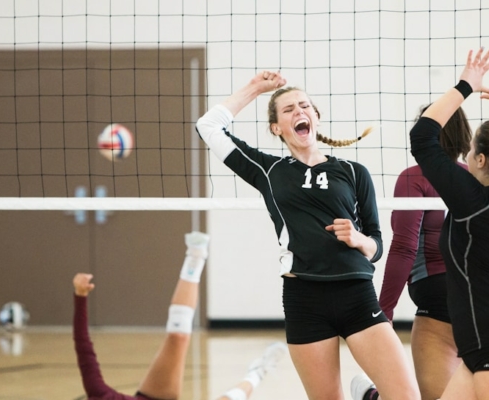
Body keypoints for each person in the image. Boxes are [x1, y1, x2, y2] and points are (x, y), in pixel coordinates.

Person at [196, 72, 420, 400]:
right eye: (288, 110)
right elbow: (208, 126)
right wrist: (256, 89)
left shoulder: (354, 172)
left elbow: (376, 245)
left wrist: (358, 239)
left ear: (315, 116)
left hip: (356, 294)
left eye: (304, 106)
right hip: (304, 298)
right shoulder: (269, 171)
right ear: (277, 128)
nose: (298, 111)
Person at [73, 231, 287, 400]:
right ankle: (256, 373)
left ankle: (195, 257)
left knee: (178, 338)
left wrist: (80, 296)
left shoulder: (98, 393)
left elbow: (83, 346)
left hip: (152, 396)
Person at [407, 47, 489, 400]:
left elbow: (423, 136)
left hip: (484, 351)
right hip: (476, 356)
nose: (465, 156)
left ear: (481, 160)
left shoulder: (472, 203)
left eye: (470, 150)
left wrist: (465, 85)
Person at [377, 105, 471, 399]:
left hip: (439, 298)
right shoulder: (476, 176)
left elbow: (404, 247)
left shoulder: (414, 178)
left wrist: (382, 314)